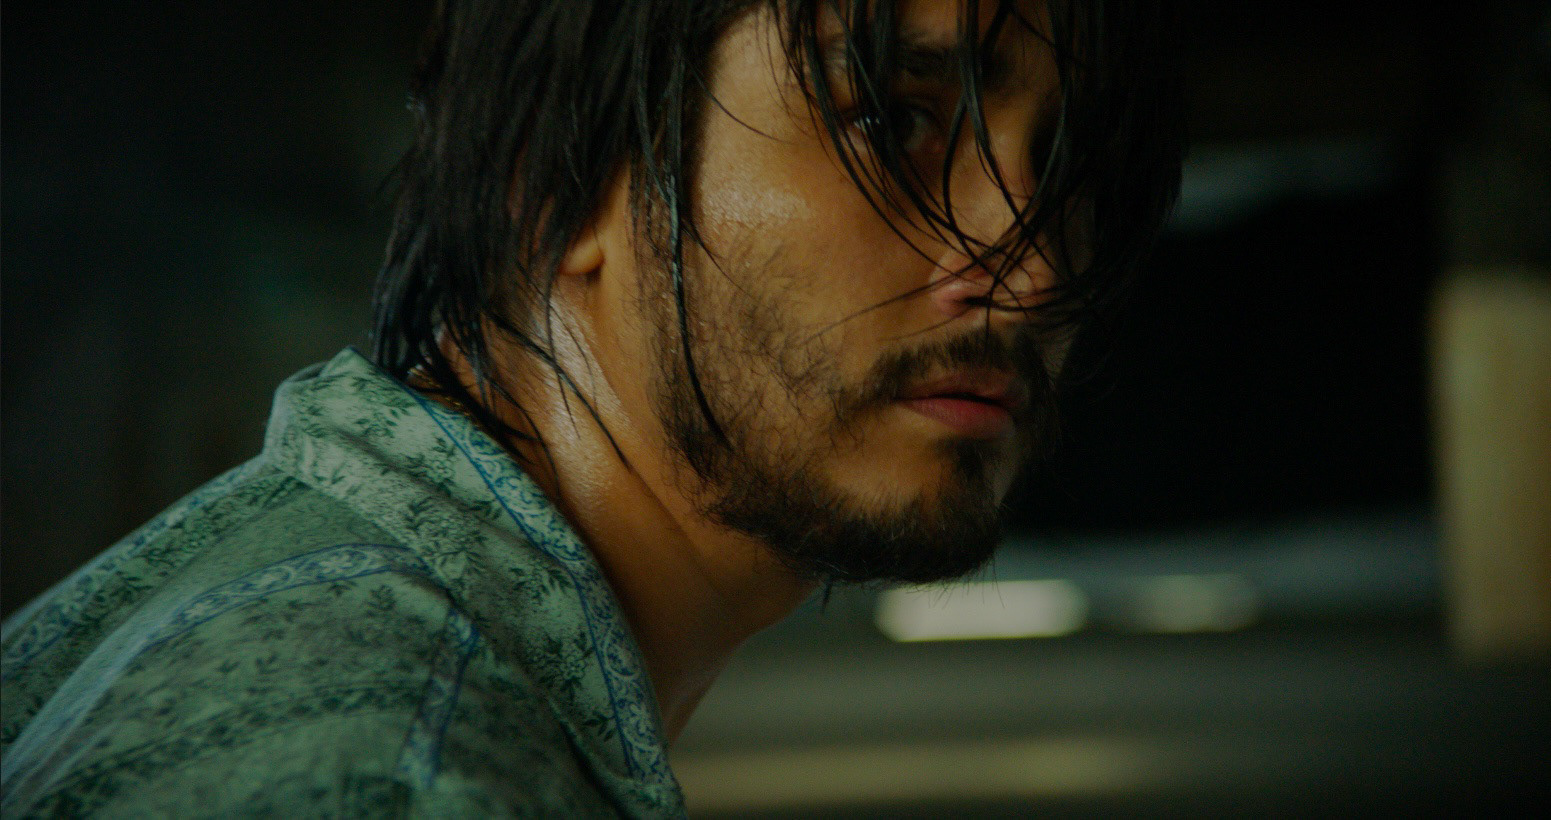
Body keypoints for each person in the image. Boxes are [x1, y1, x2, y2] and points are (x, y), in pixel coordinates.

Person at [1, 0, 1182, 815]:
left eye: (1059, 165)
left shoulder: (328, 630)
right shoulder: (401, 775)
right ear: (557, 186)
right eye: (897, 121)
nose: (1032, 273)